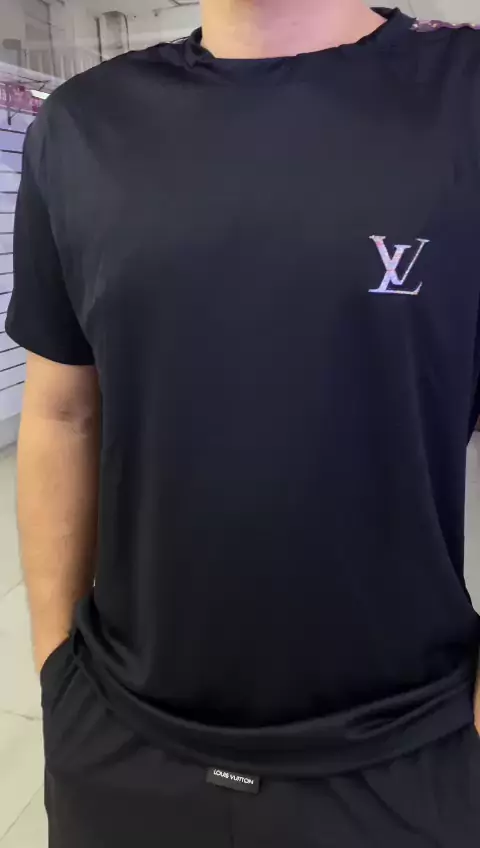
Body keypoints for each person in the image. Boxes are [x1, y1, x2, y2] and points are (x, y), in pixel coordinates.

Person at [6, 1, 480, 845]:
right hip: (120, 740)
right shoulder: (82, 127)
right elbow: (63, 410)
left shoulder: (463, 97)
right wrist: (55, 669)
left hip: (408, 746)